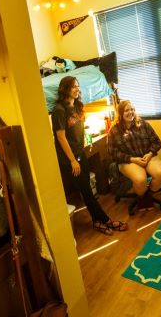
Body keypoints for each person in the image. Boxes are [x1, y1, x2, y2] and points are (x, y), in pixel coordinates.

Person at [52, 76, 128, 236]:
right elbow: (60, 137)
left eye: (78, 86)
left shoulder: (77, 106)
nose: (77, 89)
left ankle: (97, 221)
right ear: (65, 89)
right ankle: (105, 220)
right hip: (69, 158)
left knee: (87, 190)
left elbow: (78, 129)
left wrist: (86, 142)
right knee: (87, 191)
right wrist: (72, 160)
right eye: (74, 87)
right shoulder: (59, 110)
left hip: (80, 153)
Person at [107, 100, 161, 199]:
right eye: (127, 110)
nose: (130, 112)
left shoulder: (144, 124)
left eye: (132, 110)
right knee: (140, 180)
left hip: (147, 156)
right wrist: (132, 159)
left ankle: (148, 193)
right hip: (128, 161)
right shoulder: (114, 131)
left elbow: (157, 142)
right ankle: (141, 194)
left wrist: (150, 154)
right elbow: (112, 153)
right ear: (120, 114)